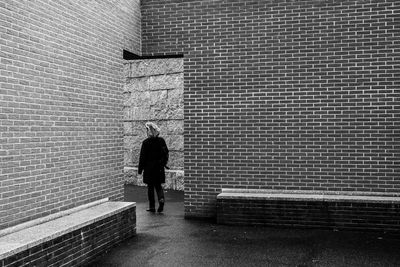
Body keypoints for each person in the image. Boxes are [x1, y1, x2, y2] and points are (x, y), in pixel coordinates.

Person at [138, 122, 169, 213]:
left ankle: (152, 207)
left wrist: (140, 170)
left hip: (149, 168)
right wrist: (163, 163)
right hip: (159, 168)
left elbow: (142, 157)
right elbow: (166, 153)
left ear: (149, 131)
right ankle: (161, 199)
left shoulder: (146, 142)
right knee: (158, 186)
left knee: (150, 187)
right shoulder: (161, 141)